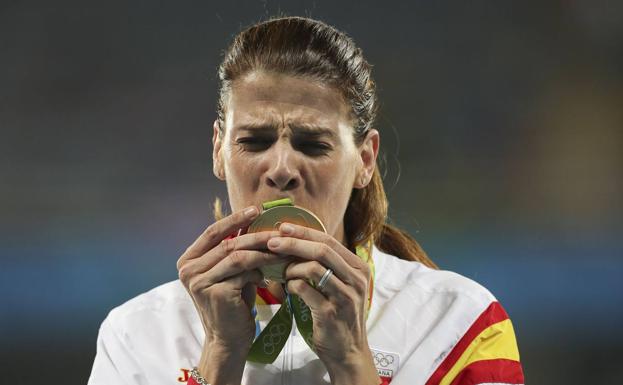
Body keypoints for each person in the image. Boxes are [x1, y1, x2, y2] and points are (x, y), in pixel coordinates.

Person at [87, 16, 524, 385]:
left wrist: (353, 363)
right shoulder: (137, 336)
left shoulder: (458, 325)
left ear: (365, 160)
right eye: (254, 141)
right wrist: (219, 356)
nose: (281, 168)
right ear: (218, 151)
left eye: (313, 144)